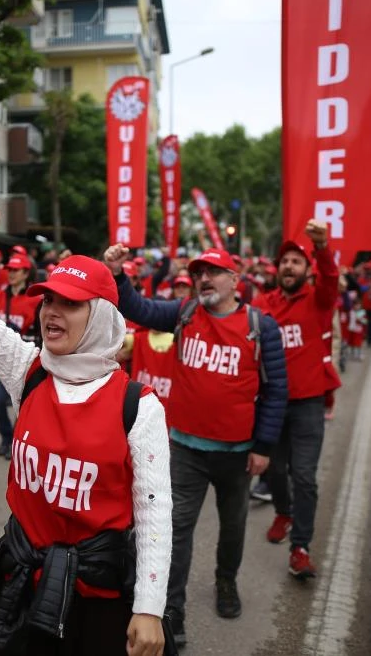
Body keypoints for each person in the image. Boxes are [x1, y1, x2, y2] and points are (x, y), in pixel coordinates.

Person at [0, 204, 171, 656]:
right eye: (49, 299)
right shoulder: (29, 369)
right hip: (22, 578)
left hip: (96, 596)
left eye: (71, 303)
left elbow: (153, 510)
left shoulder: (138, 406)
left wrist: (149, 607)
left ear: (102, 315)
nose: (53, 312)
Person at [105, 242, 287, 646]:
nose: (204, 279)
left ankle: (226, 583)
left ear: (235, 280)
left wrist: (264, 447)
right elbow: (138, 308)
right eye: (199, 272)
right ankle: (173, 611)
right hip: (185, 450)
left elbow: (276, 392)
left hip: (238, 454)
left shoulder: (262, 327)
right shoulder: (185, 312)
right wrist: (119, 275)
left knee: (234, 526)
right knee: (175, 531)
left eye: (213, 272)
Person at [252, 220, 338, 580]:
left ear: (307, 270)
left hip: (308, 404)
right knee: (273, 470)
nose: (289, 266)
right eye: (284, 261)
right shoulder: (261, 304)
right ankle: (283, 514)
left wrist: (321, 248)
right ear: (277, 268)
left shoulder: (319, 300)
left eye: (297, 261)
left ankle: (300, 547)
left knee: (304, 476)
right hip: (272, 404)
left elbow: (331, 278)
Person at [0, 253, 41, 458]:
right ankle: (6, 437)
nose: (10, 274)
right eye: (8, 270)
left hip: (25, 358)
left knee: (25, 404)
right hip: (0, 355)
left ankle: (18, 443)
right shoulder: (1, 295)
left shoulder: (36, 299)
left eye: (15, 270)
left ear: (26, 273)